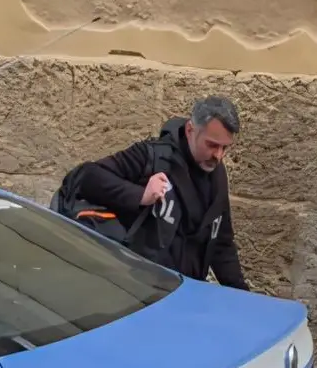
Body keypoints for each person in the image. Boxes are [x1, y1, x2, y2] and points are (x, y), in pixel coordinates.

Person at [69, 96, 248, 289]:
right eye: (212, 145)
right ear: (190, 130)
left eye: (225, 148)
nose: (218, 155)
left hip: (189, 294)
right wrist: (140, 195)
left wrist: (243, 297)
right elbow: (88, 176)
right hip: (142, 291)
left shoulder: (217, 174)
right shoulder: (152, 156)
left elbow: (222, 244)